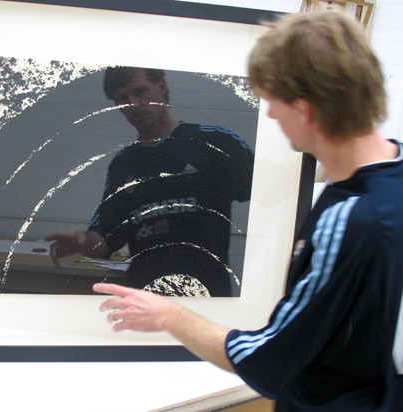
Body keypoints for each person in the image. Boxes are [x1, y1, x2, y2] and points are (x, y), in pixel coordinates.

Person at [93, 11, 403, 411]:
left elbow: (268, 358)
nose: (270, 115)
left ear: (305, 110)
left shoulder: (347, 221)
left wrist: (170, 315)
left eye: (273, 101)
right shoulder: (391, 174)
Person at [45, 66, 254, 297]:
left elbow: (272, 194)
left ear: (161, 88)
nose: (133, 104)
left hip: (207, 300)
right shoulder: (124, 164)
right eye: (123, 98)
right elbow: (104, 240)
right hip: (145, 302)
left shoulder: (214, 143)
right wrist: (81, 242)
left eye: (140, 92)